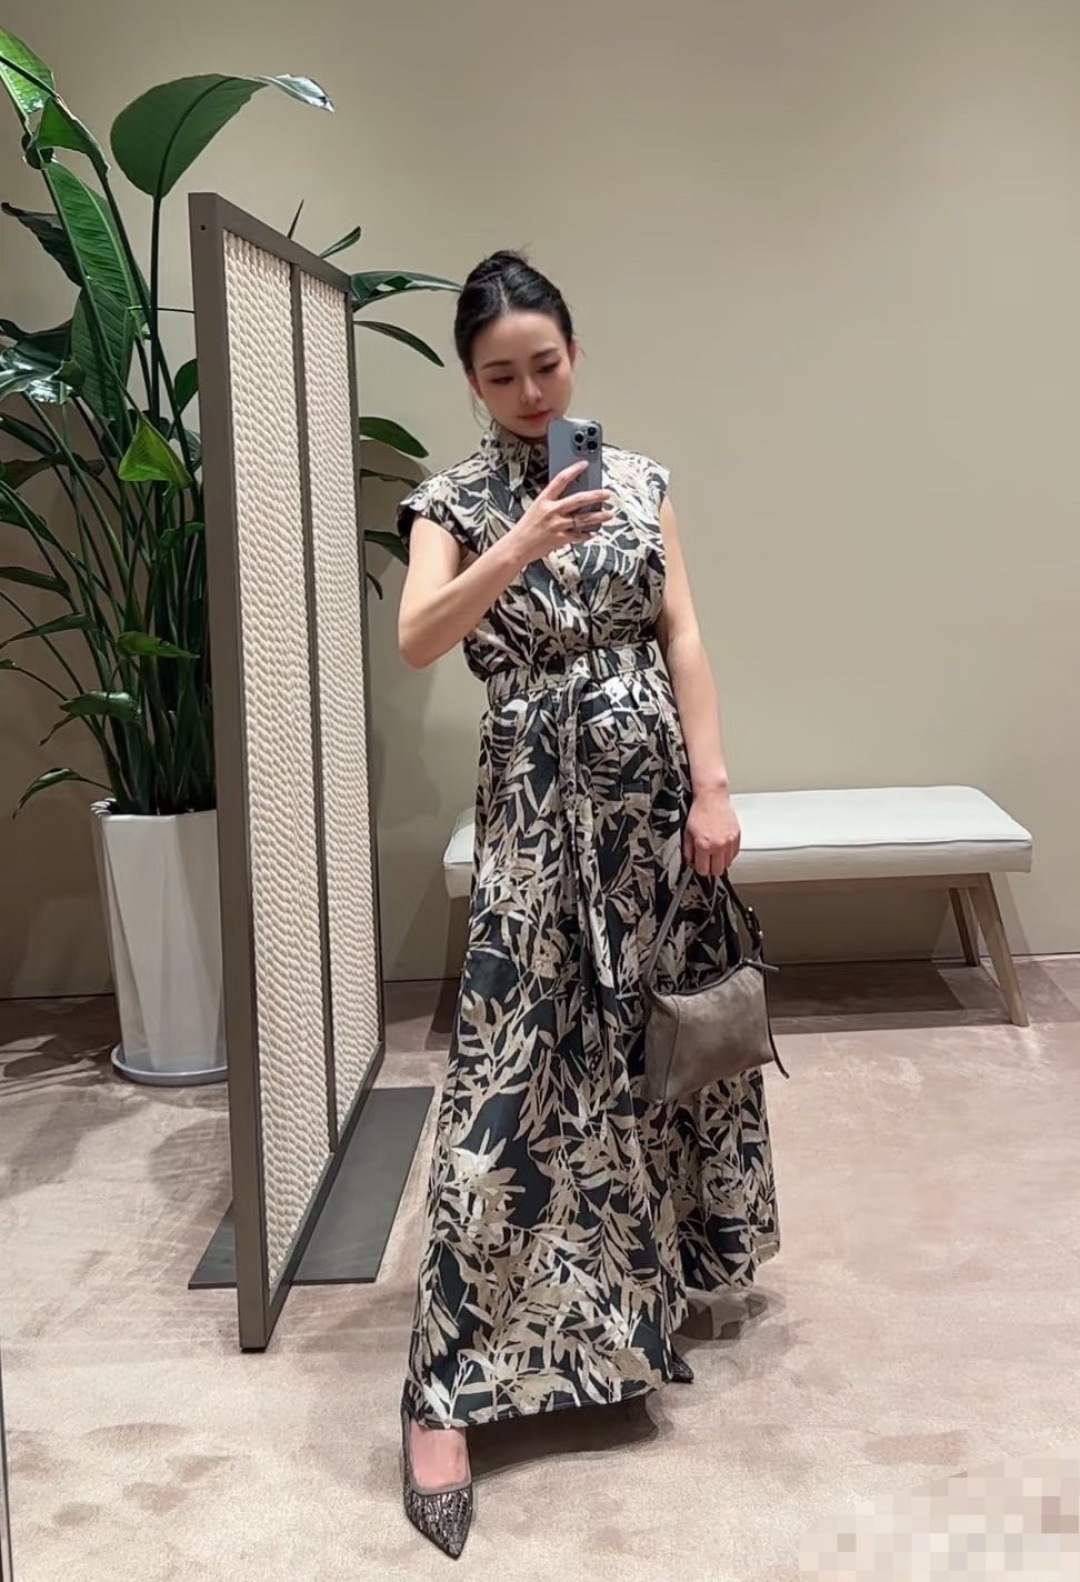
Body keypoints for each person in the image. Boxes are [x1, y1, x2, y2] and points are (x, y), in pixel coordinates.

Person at [394, 250, 779, 1559]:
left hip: (650, 810)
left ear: (574, 352)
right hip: (533, 819)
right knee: (504, 1079)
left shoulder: (640, 479)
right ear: (471, 380)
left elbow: (682, 634)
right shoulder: (450, 501)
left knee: (648, 1052)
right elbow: (421, 636)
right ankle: (442, 1394)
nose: (528, 392)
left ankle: (633, 1312)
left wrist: (711, 783)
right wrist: (517, 542)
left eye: (545, 364)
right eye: (500, 374)